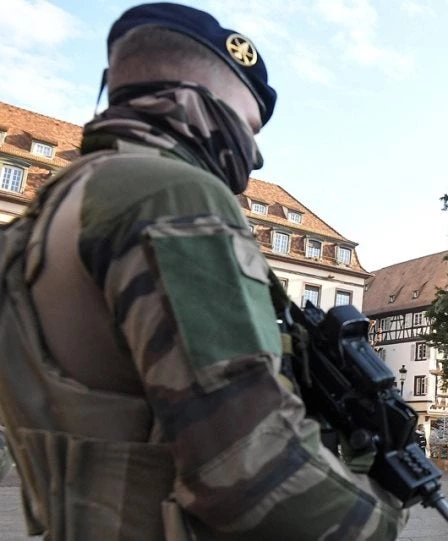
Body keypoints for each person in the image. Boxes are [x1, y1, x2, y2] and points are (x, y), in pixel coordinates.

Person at [0, 3, 407, 540]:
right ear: (197, 98)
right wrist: (383, 508)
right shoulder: (171, 195)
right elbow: (250, 471)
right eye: (247, 123)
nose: (255, 155)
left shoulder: (43, 217)